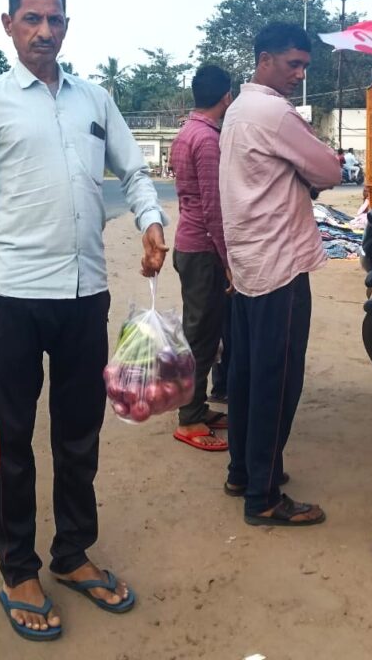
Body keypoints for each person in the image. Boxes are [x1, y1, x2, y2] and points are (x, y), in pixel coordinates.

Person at [0, 0, 168, 642]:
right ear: (8, 23)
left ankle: (72, 552)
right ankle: (17, 565)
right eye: (31, 19)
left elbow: (134, 171)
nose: (44, 31)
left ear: (67, 26)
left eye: (55, 20)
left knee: (79, 436)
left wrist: (152, 221)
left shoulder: (94, 100)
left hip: (84, 297)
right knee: (10, 438)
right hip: (15, 295)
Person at [219, 22, 342, 525]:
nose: (299, 74)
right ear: (264, 59)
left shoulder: (236, 111)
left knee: (248, 375)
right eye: (293, 64)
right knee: (278, 379)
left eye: (304, 66)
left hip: (250, 262)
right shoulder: (273, 112)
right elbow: (331, 171)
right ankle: (264, 495)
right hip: (281, 265)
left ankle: (243, 472)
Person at [169, 64, 233, 452]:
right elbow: (213, 207)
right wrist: (227, 259)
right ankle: (189, 418)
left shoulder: (188, 132)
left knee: (204, 332)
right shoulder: (207, 139)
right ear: (226, 97)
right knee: (201, 335)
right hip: (203, 249)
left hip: (191, 245)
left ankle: (198, 406)